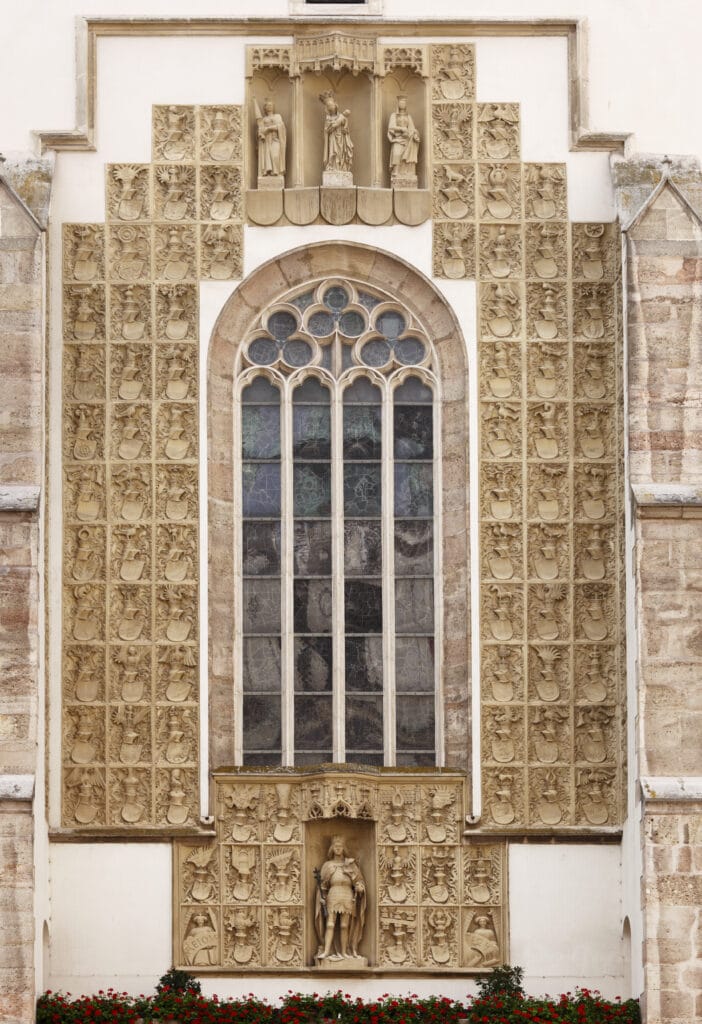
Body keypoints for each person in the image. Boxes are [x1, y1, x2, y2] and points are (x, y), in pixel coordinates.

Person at [314, 835, 366, 960]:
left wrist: (360, 887)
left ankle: (344, 952)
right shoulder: (328, 865)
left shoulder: (351, 864)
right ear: (332, 848)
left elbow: (359, 881)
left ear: (344, 848)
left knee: (344, 925)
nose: (338, 849)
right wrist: (322, 896)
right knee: (330, 924)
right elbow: (323, 885)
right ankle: (326, 951)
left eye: (340, 846)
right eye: (336, 846)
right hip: (333, 894)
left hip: (347, 895)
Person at [387, 96, 420, 182]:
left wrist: (414, 134)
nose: (403, 104)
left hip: (407, 139)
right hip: (398, 139)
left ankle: (408, 173)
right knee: (396, 153)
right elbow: (391, 127)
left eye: (404, 103)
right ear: (398, 104)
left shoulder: (408, 116)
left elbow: (412, 128)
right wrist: (401, 129)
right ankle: (396, 172)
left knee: (409, 154)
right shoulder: (394, 115)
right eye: (401, 102)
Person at [319, 92, 353, 174]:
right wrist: (330, 128)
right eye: (328, 106)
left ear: (335, 105)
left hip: (341, 137)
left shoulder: (341, 116)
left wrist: (345, 130)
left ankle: (342, 167)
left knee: (341, 153)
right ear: (327, 108)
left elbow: (346, 127)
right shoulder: (328, 118)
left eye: (331, 105)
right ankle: (331, 166)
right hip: (333, 138)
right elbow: (326, 131)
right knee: (333, 152)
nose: (330, 107)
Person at [256, 97, 286, 178]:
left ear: (273, 107)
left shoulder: (277, 116)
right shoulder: (263, 119)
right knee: (267, 156)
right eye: (267, 105)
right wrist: (260, 133)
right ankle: (269, 172)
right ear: (265, 108)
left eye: (271, 105)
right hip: (266, 140)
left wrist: (269, 128)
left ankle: (276, 172)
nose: (269, 107)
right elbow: (260, 130)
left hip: (275, 139)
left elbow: (281, 127)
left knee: (275, 155)